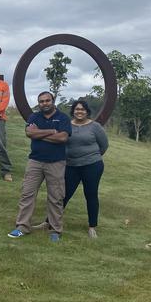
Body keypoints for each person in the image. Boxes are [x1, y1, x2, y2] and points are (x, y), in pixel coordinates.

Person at [33, 100, 108, 239]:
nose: (80, 111)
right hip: (70, 165)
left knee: (91, 195)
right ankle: (49, 222)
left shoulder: (95, 126)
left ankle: (92, 227)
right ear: (73, 111)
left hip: (92, 165)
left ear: (87, 111)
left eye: (83, 109)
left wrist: (91, 156)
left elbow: (104, 145)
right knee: (62, 195)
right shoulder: (66, 124)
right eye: (77, 109)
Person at [8, 92, 71, 242]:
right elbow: (29, 133)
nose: (44, 103)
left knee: (56, 197)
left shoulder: (63, 118)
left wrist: (39, 133)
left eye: (47, 100)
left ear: (53, 101)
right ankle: (22, 227)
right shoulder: (34, 117)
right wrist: (51, 131)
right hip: (35, 162)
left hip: (56, 162)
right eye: (41, 101)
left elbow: (63, 138)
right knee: (27, 194)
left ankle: (55, 230)